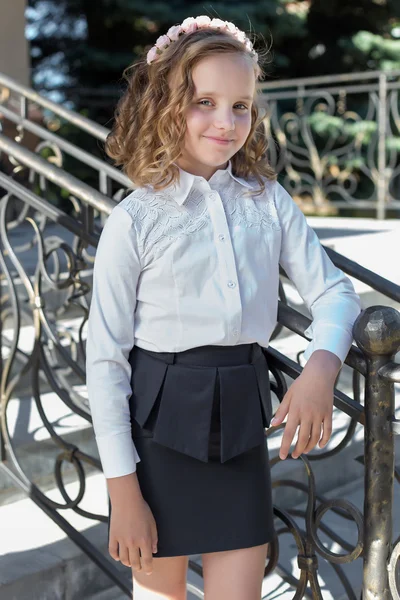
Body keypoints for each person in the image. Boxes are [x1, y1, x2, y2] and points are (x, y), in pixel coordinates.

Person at [85, 14, 362, 600]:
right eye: (204, 101)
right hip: (155, 430)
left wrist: (320, 366)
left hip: (240, 417)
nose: (225, 121)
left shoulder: (269, 202)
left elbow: (335, 292)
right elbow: (105, 361)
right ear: (164, 105)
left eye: (240, 106)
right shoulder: (135, 220)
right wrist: (123, 493)